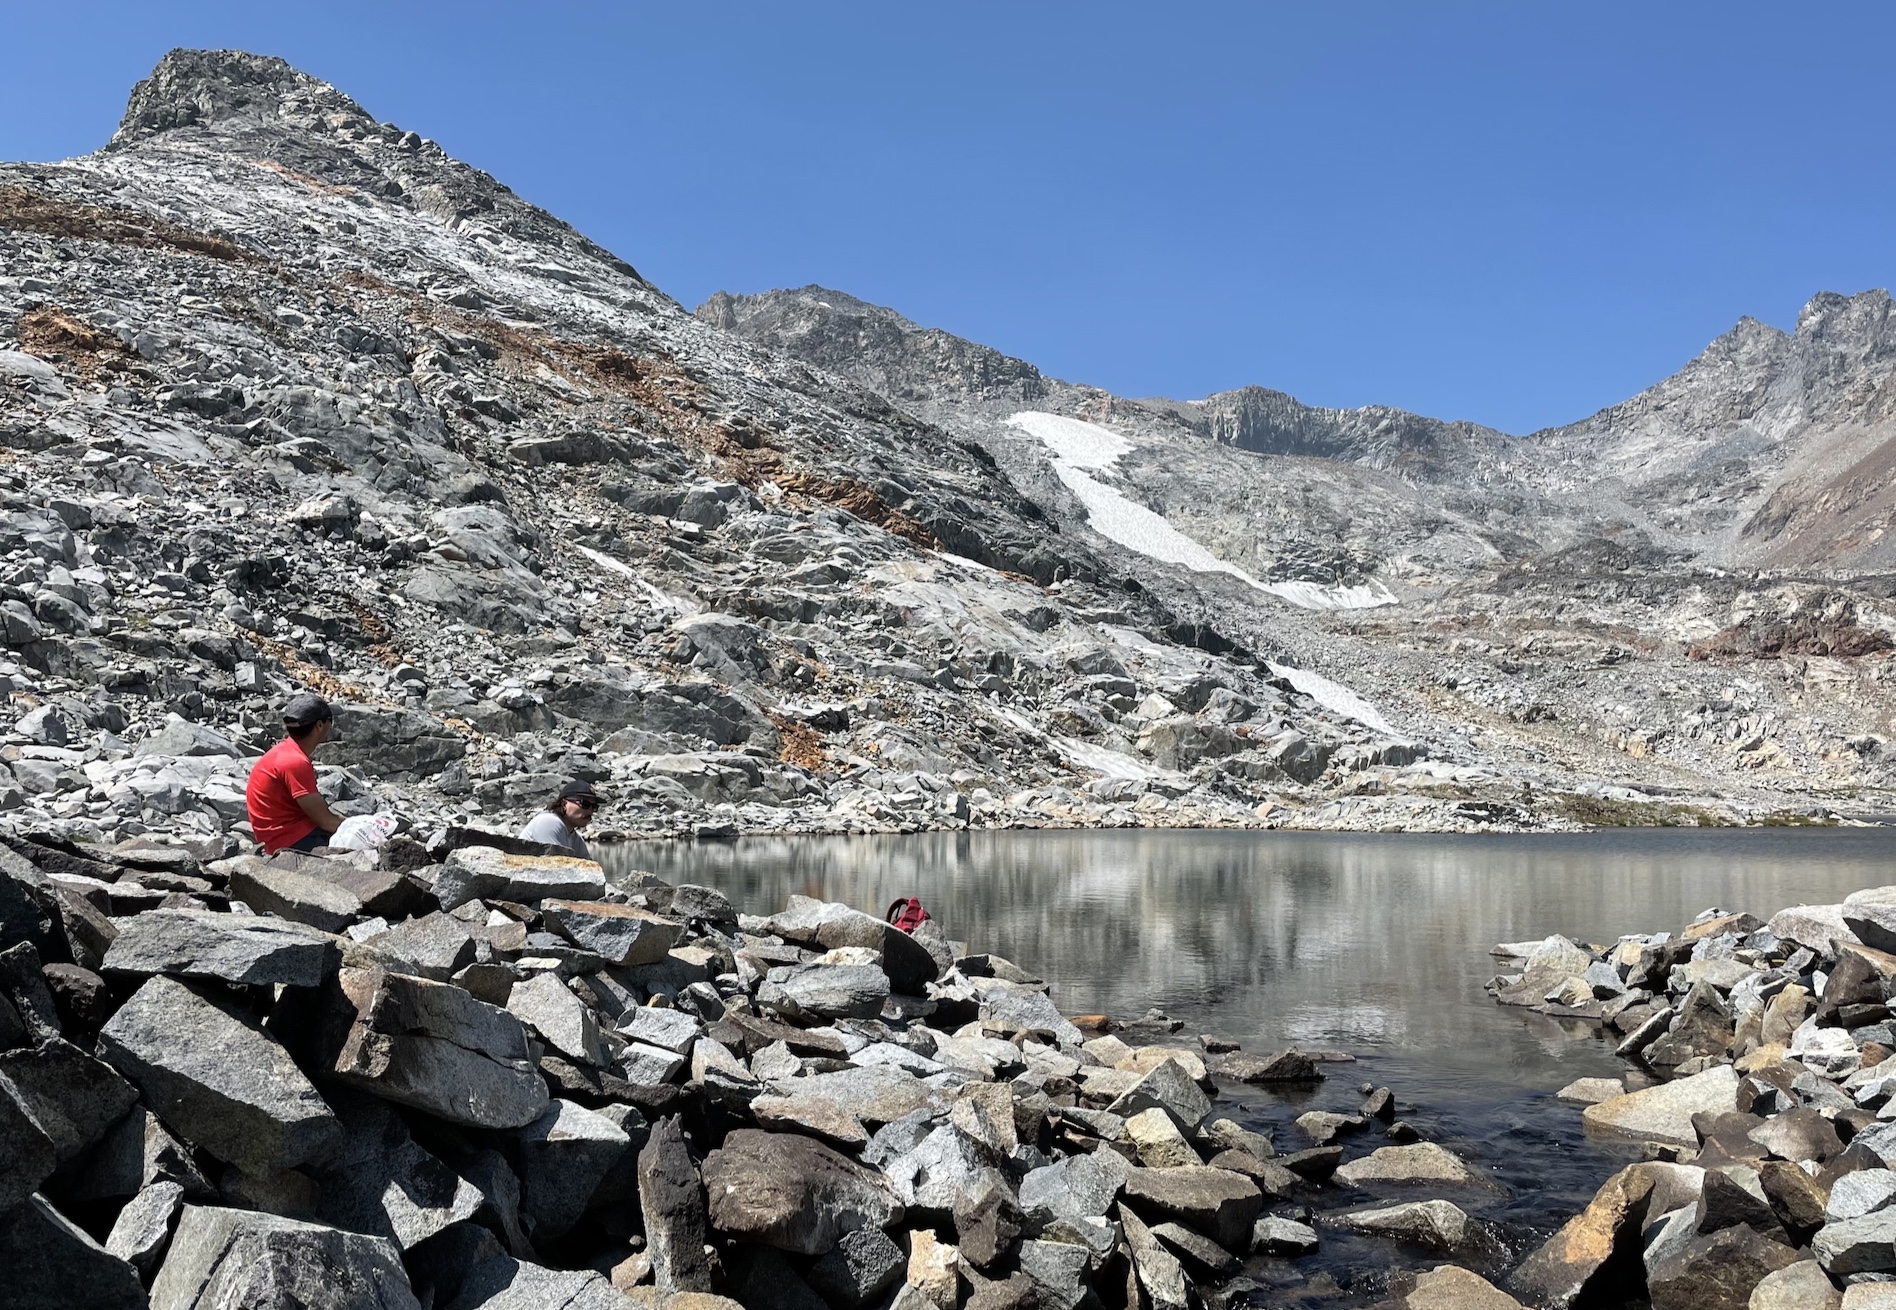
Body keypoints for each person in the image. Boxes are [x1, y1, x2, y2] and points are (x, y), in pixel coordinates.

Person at [245, 692, 348, 855]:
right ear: (319, 725)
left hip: (279, 837)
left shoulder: (284, 751)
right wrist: (360, 825)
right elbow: (326, 821)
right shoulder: (296, 762)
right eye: (330, 720)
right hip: (291, 843)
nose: (331, 725)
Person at [519, 780, 600, 858]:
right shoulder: (549, 822)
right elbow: (558, 867)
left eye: (594, 807)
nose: (590, 811)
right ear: (564, 804)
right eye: (585, 804)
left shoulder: (576, 839)